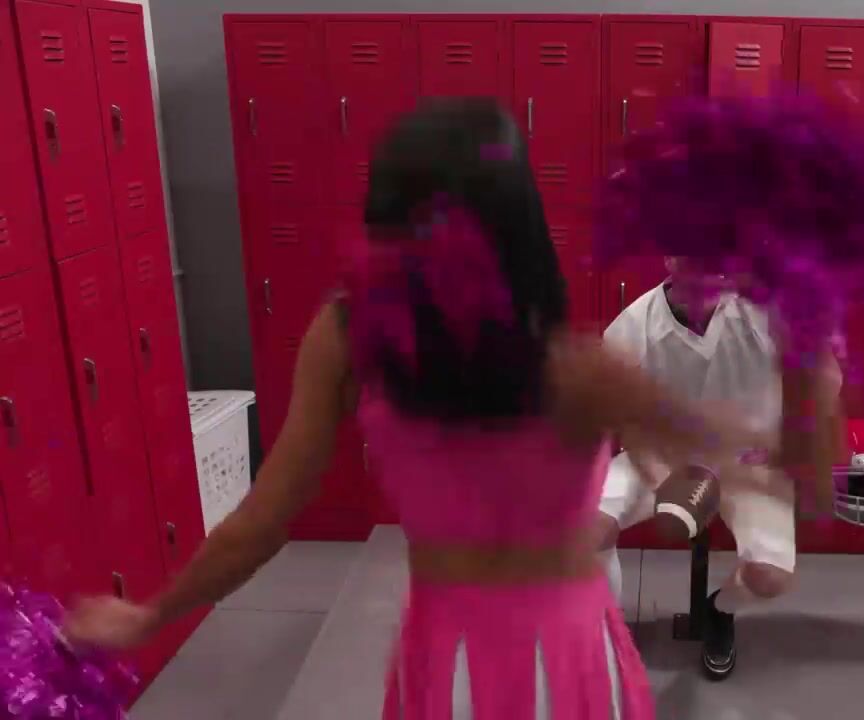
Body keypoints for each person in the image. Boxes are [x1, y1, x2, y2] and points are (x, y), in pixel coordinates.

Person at [61, 99, 799, 719]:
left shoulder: (347, 333)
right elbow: (737, 447)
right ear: (523, 221)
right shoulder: (582, 363)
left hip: (454, 656)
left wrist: (151, 614)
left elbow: (262, 522)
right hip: (570, 655)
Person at [595, 258, 849, 681]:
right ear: (670, 260)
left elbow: (825, 375)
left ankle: (719, 610)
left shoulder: (764, 311)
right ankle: (606, 630)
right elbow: (620, 415)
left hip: (748, 464)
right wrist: (660, 475)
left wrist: (789, 440)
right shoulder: (634, 325)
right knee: (590, 524)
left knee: (769, 576)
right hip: (662, 458)